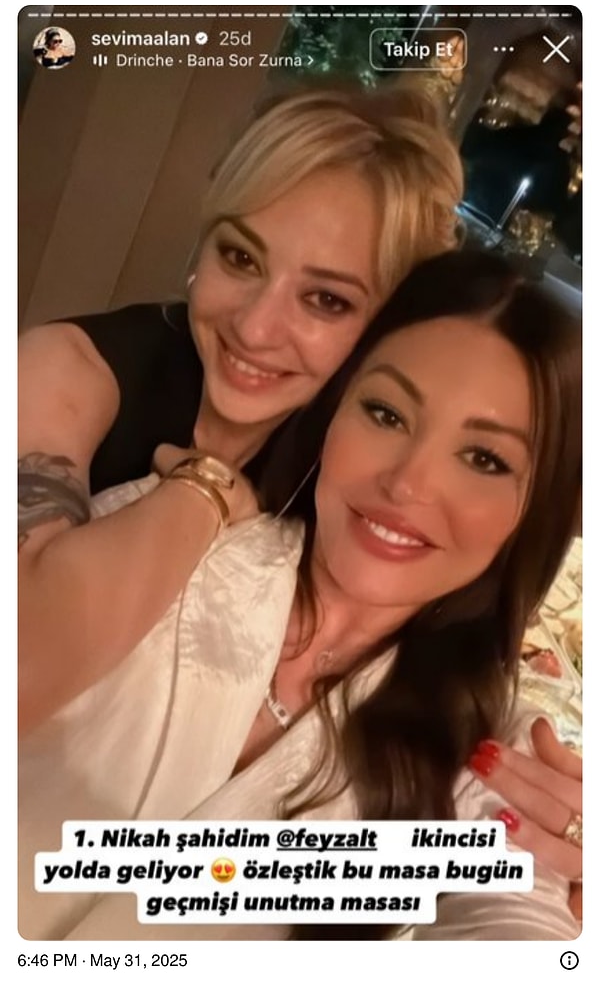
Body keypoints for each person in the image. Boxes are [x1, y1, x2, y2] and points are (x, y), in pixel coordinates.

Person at [19, 250, 582, 941]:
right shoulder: (169, 537)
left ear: (536, 511)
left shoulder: (496, 761)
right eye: (386, 413)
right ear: (334, 410)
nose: (407, 484)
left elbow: (516, 925)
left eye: (484, 459)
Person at [18, 84, 464, 732]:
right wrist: (205, 492)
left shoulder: (353, 461)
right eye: (240, 257)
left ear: (384, 328)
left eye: (326, 300)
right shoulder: (65, 370)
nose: (255, 328)